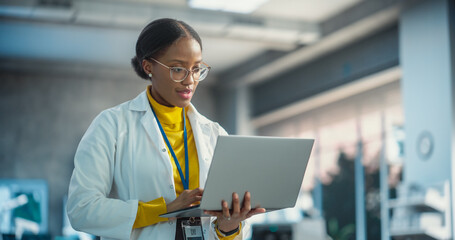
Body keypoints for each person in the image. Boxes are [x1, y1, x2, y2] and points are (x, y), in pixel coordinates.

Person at [67, 18, 265, 240]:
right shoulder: (112, 125)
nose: (190, 80)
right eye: (178, 69)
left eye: (197, 68)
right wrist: (164, 209)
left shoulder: (215, 134)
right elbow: (81, 210)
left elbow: (226, 230)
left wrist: (229, 225)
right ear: (148, 66)